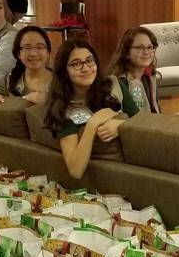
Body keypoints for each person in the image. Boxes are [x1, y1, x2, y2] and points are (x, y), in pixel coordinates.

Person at [44, 39, 125, 179]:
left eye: (89, 61)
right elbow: (76, 170)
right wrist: (92, 124)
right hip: (101, 179)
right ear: (64, 71)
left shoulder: (114, 86)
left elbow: (142, 119)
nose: (86, 68)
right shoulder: (63, 109)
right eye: (76, 64)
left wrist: (121, 123)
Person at [0, 25, 53, 106]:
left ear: (48, 52)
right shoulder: (11, 79)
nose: (33, 54)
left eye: (39, 47)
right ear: (18, 54)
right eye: (27, 48)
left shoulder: (60, 79)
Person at [108, 26, 161, 115]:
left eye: (149, 47)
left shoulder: (150, 78)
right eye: (140, 47)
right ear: (126, 53)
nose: (146, 52)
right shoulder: (120, 82)